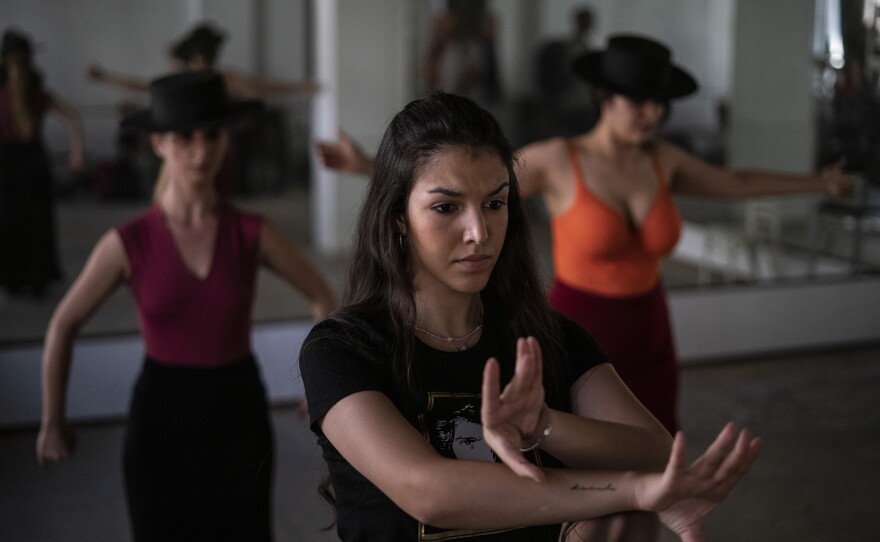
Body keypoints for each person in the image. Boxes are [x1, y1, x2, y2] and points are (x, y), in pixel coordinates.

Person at [300, 91, 761, 541]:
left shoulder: (550, 338)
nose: (479, 232)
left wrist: (545, 425)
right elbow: (429, 492)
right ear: (398, 217)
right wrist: (633, 491)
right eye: (446, 207)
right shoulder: (342, 349)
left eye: (495, 204)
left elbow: (653, 450)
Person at [35, 70, 338, 541]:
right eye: (184, 137)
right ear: (158, 143)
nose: (201, 151)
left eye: (212, 135)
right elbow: (64, 324)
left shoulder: (251, 232)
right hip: (161, 420)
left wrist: (320, 388)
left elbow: (324, 297)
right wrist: (52, 420)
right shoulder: (129, 242)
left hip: (238, 414)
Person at [0, 28, 83, 297]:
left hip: (30, 159)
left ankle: (35, 277)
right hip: (9, 160)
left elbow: (34, 127)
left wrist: (76, 152)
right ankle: (16, 277)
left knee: (35, 220)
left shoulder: (35, 91)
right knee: (12, 220)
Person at [86, 22, 319, 98]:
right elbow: (258, 87)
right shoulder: (216, 76)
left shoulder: (211, 75)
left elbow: (258, 87)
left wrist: (104, 77)